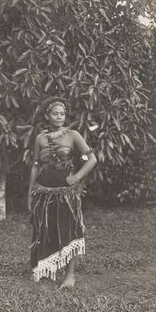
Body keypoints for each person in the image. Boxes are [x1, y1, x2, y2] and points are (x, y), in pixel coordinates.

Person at [28, 97, 97, 288]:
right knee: (46, 230)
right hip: (44, 192)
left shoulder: (73, 135)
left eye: (62, 113)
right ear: (47, 116)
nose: (59, 117)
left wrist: (76, 177)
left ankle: (70, 276)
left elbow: (92, 159)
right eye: (55, 113)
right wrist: (30, 191)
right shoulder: (40, 138)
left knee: (69, 231)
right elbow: (35, 165)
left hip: (66, 194)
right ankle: (47, 268)